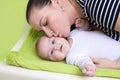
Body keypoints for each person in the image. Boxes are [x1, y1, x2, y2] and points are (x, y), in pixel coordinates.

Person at [26, 0, 120, 69]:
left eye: (45, 23)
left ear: (57, 2)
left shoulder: (97, 6)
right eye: (42, 32)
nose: (49, 35)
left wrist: (116, 65)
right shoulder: (78, 26)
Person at [36, 28, 120, 76]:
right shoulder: (71, 57)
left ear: (57, 37)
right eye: (51, 52)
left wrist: (83, 24)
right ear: (53, 60)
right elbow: (82, 61)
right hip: (117, 57)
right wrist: (88, 66)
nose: (55, 47)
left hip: (116, 36)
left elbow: (88, 29)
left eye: (53, 42)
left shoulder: (72, 33)